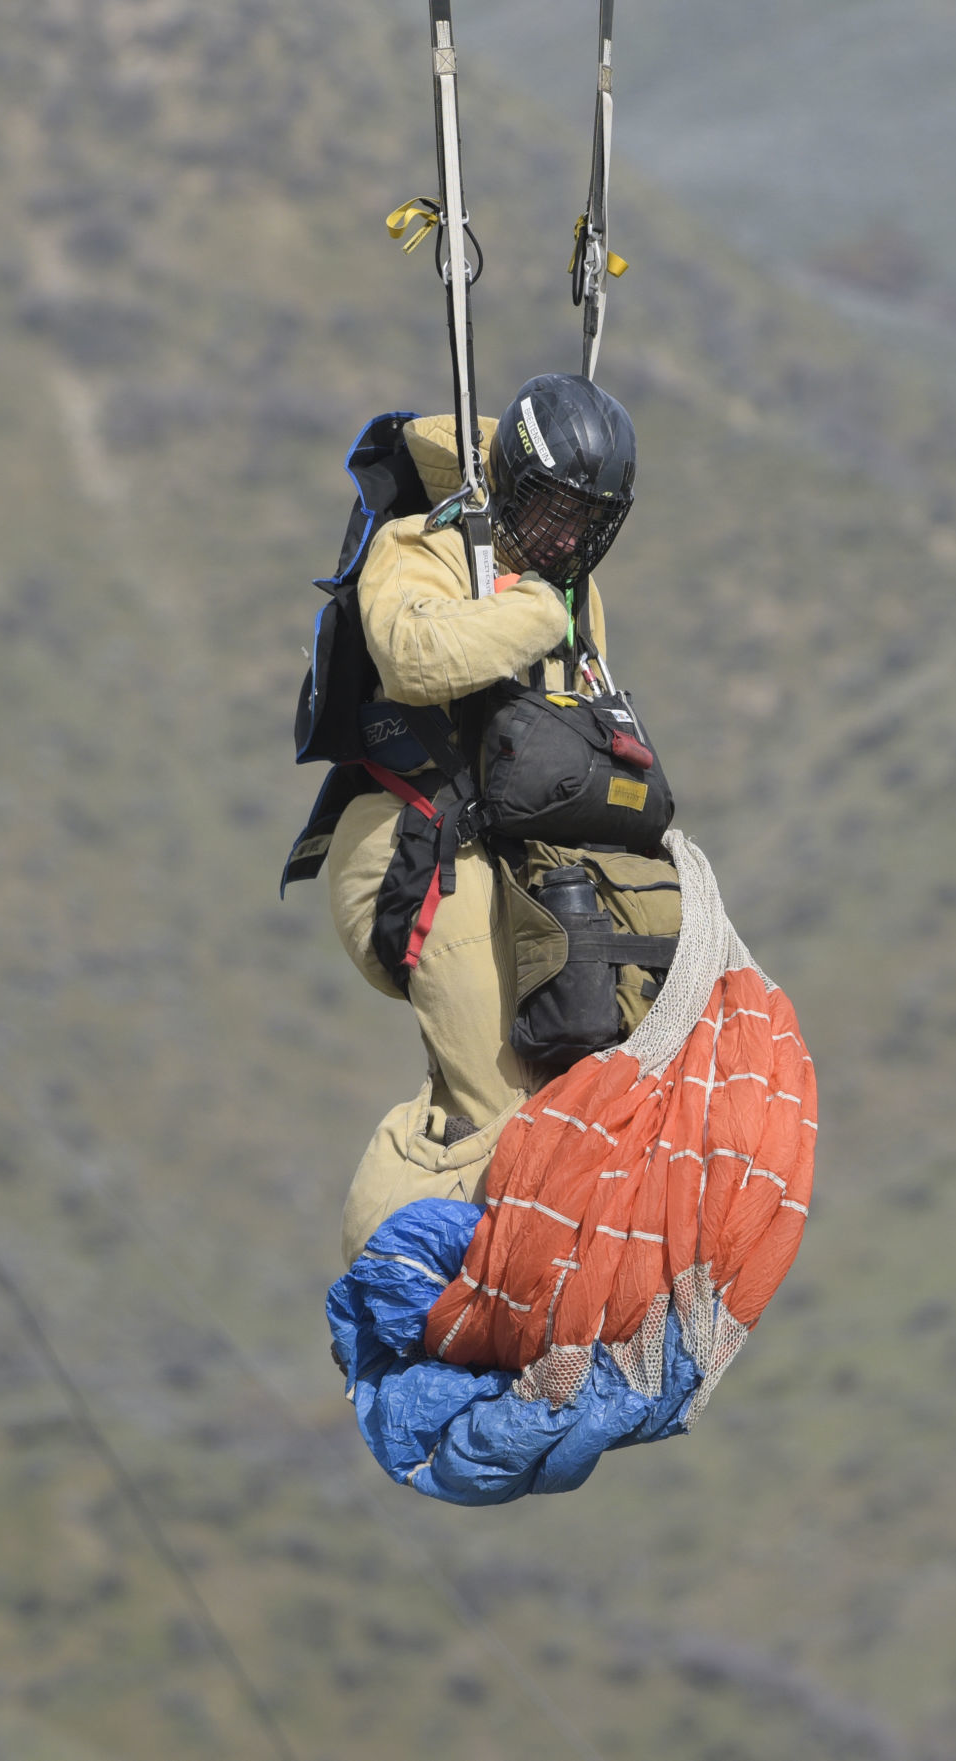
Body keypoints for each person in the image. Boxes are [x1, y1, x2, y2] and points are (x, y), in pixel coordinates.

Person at [328, 373, 638, 1267]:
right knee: (501, 1110)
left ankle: (505, 1274)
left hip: (512, 855)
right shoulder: (421, 546)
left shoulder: (573, 588)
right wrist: (536, 608)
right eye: (548, 508)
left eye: (586, 522)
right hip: (410, 839)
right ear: (508, 482)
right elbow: (417, 656)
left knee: (570, 1077)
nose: (562, 535)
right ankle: (393, 1281)